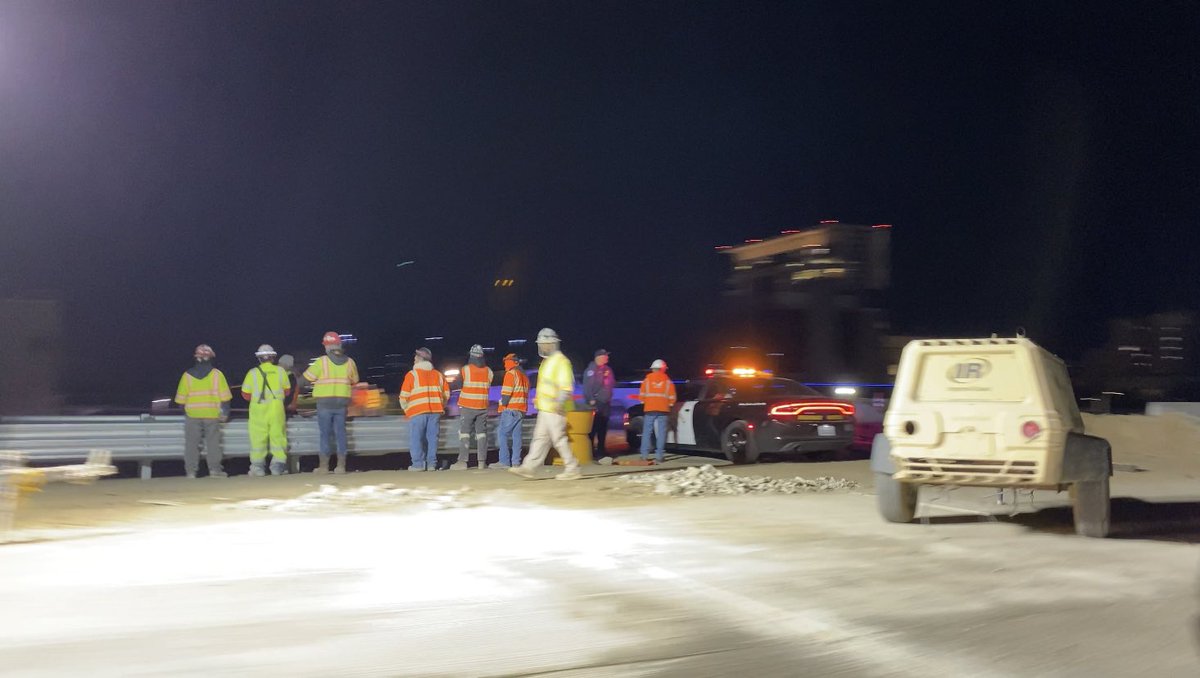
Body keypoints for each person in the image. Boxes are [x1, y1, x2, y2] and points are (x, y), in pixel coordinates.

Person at [509, 328, 582, 481]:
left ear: (552, 344)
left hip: (556, 407)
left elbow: (566, 385)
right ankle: (529, 467)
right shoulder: (547, 362)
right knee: (540, 438)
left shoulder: (561, 361)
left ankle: (572, 467)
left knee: (558, 439)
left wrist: (560, 402)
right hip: (546, 408)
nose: (541, 347)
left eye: (544, 344)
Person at [301, 332, 359, 474]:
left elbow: (305, 379)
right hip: (341, 404)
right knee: (341, 433)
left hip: (325, 403)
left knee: (325, 434)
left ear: (327, 346)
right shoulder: (350, 362)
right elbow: (355, 380)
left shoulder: (322, 362)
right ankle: (341, 466)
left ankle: (324, 467)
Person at [174, 344, 232, 478]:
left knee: (191, 444)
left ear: (196, 357)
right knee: (213, 444)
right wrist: (225, 413)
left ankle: (191, 471)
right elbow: (225, 398)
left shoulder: (187, 375)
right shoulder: (217, 375)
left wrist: (187, 412)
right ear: (211, 357)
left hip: (192, 415)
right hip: (212, 415)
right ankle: (215, 470)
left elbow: (181, 401)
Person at [241, 344, 291, 476]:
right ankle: (277, 467)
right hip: (276, 408)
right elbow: (287, 391)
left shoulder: (252, 373)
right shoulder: (281, 372)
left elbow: (245, 394)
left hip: (258, 409)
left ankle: (258, 468)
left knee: (258, 437)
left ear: (259, 359)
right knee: (278, 436)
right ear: (273, 357)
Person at [399, 347, 449, 471]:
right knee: (432, 439)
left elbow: (404, 396)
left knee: (416, 438)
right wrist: (441, 405)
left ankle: (418, 464)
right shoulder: (438, 375)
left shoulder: (412, 375)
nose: (414, 359)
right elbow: (447, 394)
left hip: (417, 411)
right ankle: (431, 464)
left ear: (420, 359)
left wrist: (407, 410)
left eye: (416, 357)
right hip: (435, 411)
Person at [452, 344, 494, 470]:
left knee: (465, 434)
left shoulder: (465, 370)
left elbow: (458, 384)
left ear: (471, 355)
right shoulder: (489, 371)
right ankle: (482, 462)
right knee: (482, 434)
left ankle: (463, 462)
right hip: (482, 406)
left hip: (467, 406)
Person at [639, 359, 677, 465]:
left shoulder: (646, 380)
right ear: (663, 369)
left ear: (653, 369)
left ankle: (644, 456)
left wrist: (647, 402)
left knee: (647, 432)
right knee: (661, 433)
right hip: (663, 410)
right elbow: (672, 398)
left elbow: (641, 397)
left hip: (649, 409)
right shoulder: (668, 381)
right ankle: (659, 456)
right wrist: (669, 404)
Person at [495, 352, 530, 468]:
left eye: (506, 362)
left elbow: (506, 394)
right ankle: (516, 462)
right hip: (522, 409)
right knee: (516, 437)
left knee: (502, 433)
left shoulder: (511, 374)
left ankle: (504, 462)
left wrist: (502, 403)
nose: (505, 364)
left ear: (509, 362)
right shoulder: (524, 376)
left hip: (511, 410)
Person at [582, 348, 615, 459]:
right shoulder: (591, 370)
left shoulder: (608, 369)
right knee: (593, 428)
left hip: (606, 403)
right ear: (599, 357)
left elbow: (611, 384)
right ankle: (590, 451)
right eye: (605, 356)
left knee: (603, 428)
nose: (607, 357)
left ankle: (601, 450)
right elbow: (587, 387)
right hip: (596, 403)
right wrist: (591, 399)